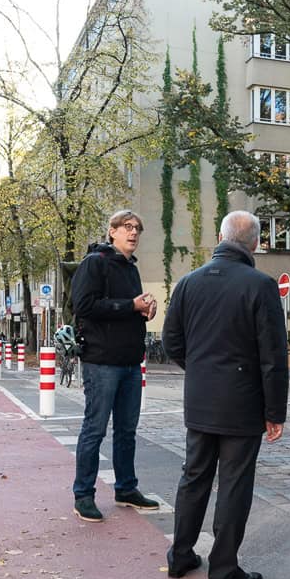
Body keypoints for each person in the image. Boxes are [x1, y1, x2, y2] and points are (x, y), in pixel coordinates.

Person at [161, 211, 287, 579]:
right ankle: (224, 568)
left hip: (200, 398)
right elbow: (273, 355)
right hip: (243, 401)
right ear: (255, 244)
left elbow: (171, 342)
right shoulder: (259, 285)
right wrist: (274, 412)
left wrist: (198, 369)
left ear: (220, 236)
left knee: (193, 476)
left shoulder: (188, 283)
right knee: (234, 484)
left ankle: (181, 555)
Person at [69, 209, 161, 522]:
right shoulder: (95, 263)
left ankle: (126, 489)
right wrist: (129, 305)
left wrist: (145, 310)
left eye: (137, 228)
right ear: (112, 231)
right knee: (94, 429)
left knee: (126, 430)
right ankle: (83, 495)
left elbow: (126, 308)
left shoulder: (131, 269)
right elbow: (83, 306)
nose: (133, 233)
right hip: (101, 361)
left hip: (130, 361)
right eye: (126, 227)